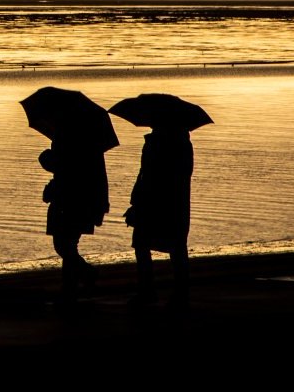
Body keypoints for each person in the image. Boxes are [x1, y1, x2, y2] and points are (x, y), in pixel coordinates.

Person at [123, 126, 193, 306]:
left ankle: (150, 292)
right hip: (172, 204)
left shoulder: (163, 144)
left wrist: (138, 201)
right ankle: (176, 292)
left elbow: (149, 175)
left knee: (146, 244)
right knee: (174, 247)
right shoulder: (180, 143)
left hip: (159, 203)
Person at [40, 137, 110, 303]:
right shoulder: (85, 147)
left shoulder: (78, 148)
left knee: (64, 245)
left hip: (73, 203)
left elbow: (63, 169)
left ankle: (84, 274)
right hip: (74, 203)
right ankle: (70, 286)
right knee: (67, 245)